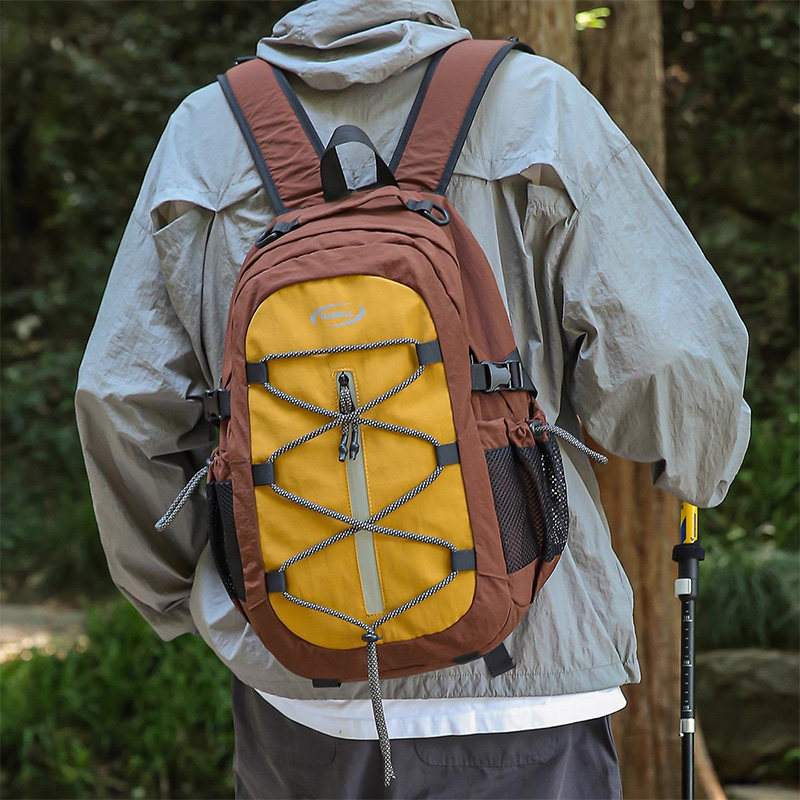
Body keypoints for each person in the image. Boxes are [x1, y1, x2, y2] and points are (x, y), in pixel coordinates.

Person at [75, 2, 750, 798]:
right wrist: (697, 465)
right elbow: (671, 361)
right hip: (526, 674)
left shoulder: (204, 131)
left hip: (300, 682)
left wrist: (194, 590)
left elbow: (123, 400)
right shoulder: (534, 104)